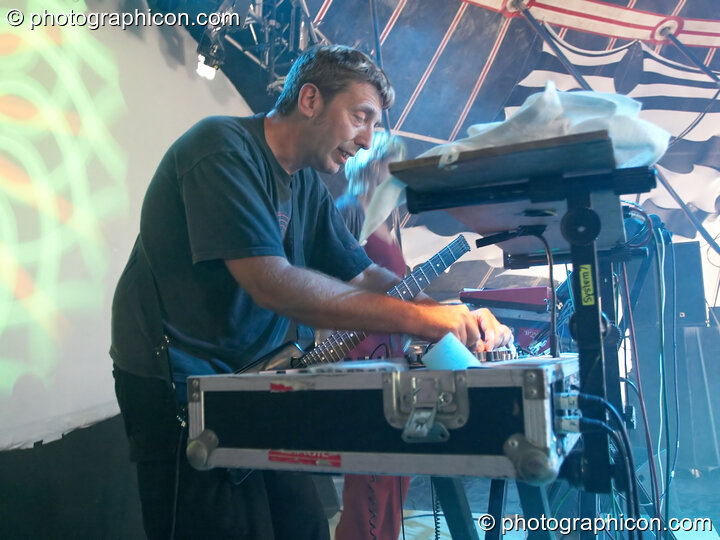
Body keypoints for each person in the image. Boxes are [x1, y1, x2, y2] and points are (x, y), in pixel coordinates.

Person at [110, 44, 512, 540]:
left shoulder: (303, 187)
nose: (367, 141)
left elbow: (365, 275)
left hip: (256, 382)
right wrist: (426, 323)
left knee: (303, 527)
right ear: (309, 100)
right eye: (360, 117)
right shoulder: (219, 149)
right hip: (175, 383)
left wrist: (447, 313)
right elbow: (272, 284)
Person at [333, 132, 411, 540]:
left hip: (392, 355)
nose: (397, 174)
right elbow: (331, 286)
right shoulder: (348, 211)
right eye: (390, 164)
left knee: (398, 472)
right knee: (369, 477)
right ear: (371, 165)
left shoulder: (391, 222)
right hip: (359, 355)